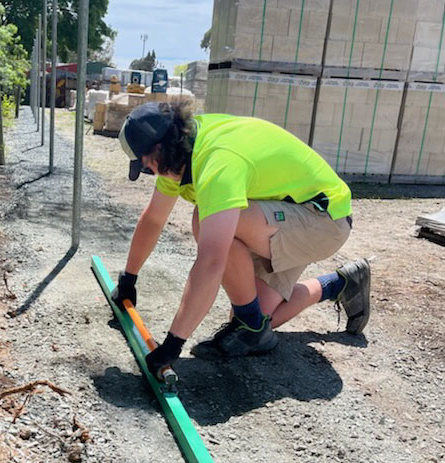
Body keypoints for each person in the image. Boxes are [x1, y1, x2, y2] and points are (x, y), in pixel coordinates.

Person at [111, 100, 370, 380]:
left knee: (206, 220)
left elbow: (211, 260)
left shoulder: (217, 161)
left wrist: (173, 344)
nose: (151, 174)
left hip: (323, 221)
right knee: (261, 321)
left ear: (159, 150)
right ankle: (342, 283)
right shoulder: (180, 150)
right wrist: (129, 279)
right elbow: (153, 220)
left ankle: (250, 325)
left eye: (148, 167)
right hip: (287, 212)